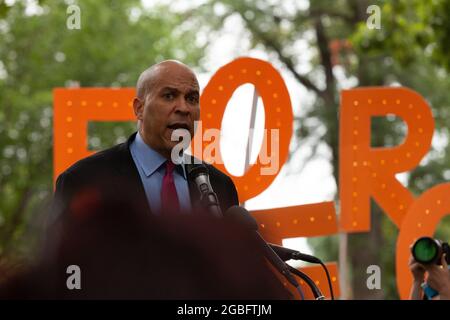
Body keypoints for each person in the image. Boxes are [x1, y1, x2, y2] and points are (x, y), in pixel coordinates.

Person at [50, 60, 239, 223]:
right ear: (139, 109)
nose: (184, 108)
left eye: (192, 98)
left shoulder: (219, 186)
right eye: (169, 96)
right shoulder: (85, 179)